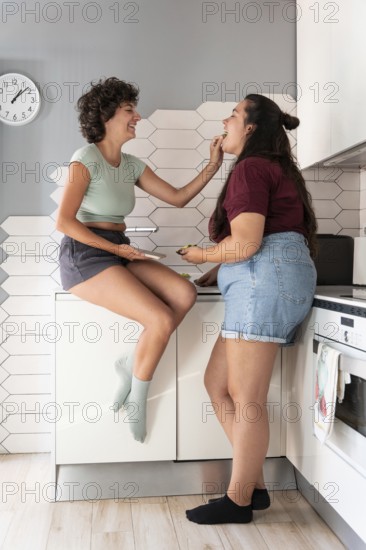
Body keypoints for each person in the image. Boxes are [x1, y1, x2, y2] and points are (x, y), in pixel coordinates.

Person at [56, 77, 224, 443]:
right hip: (85, 254)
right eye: (130, 110)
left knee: (183, 294)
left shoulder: (131, 164)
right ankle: (138, 399)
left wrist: (214, 164)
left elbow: (178, 198)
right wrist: (116, 251)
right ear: (107, 115)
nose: (138, 116)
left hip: (118, 247)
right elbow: (64, 221)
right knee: (160, 316)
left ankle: (129, 365)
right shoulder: (85, 159)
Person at [180, 94, 317, 524]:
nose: (226, 120)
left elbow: (247, 244)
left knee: (247, 398)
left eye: (234, 115)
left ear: (252, 128)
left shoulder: (252, 169)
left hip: (263, 281)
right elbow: (257, 240)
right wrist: (215, 270)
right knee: (217, 384)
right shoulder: (268, 168)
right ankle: (253, 487)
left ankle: (238, 501)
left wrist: (202, 256)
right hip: (266, 279)